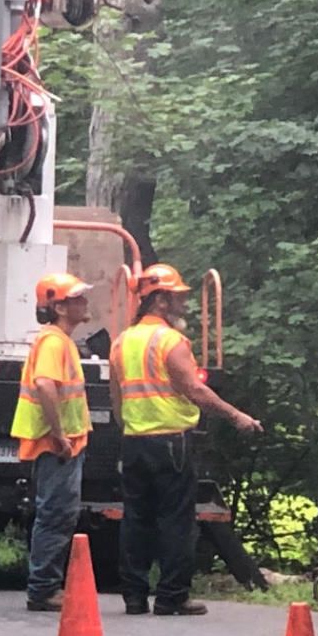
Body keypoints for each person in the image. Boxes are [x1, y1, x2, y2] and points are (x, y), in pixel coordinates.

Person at [110, 263, 261, 616]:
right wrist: (236, 416)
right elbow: (194, 389)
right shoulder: (170, 341)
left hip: (134, 440)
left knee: (135, 519)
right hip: (170, 443)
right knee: (176, 520)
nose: (185, 304)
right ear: (160, 300)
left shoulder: (121, 342)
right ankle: (171, 597)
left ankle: (134, 596)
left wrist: (128, 428)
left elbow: (116, 395)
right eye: (178, 297)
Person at [12, 273, 93, 612]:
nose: (84, 303)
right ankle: (44, 588)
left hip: (63, 443)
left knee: (58, 512)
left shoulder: (58, 340)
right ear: (59, 306)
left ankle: (45, 585)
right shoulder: (54, 342)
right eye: (77, 299)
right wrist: (59, 434)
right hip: (58, 445)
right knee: (56, 513)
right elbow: (46, 384)